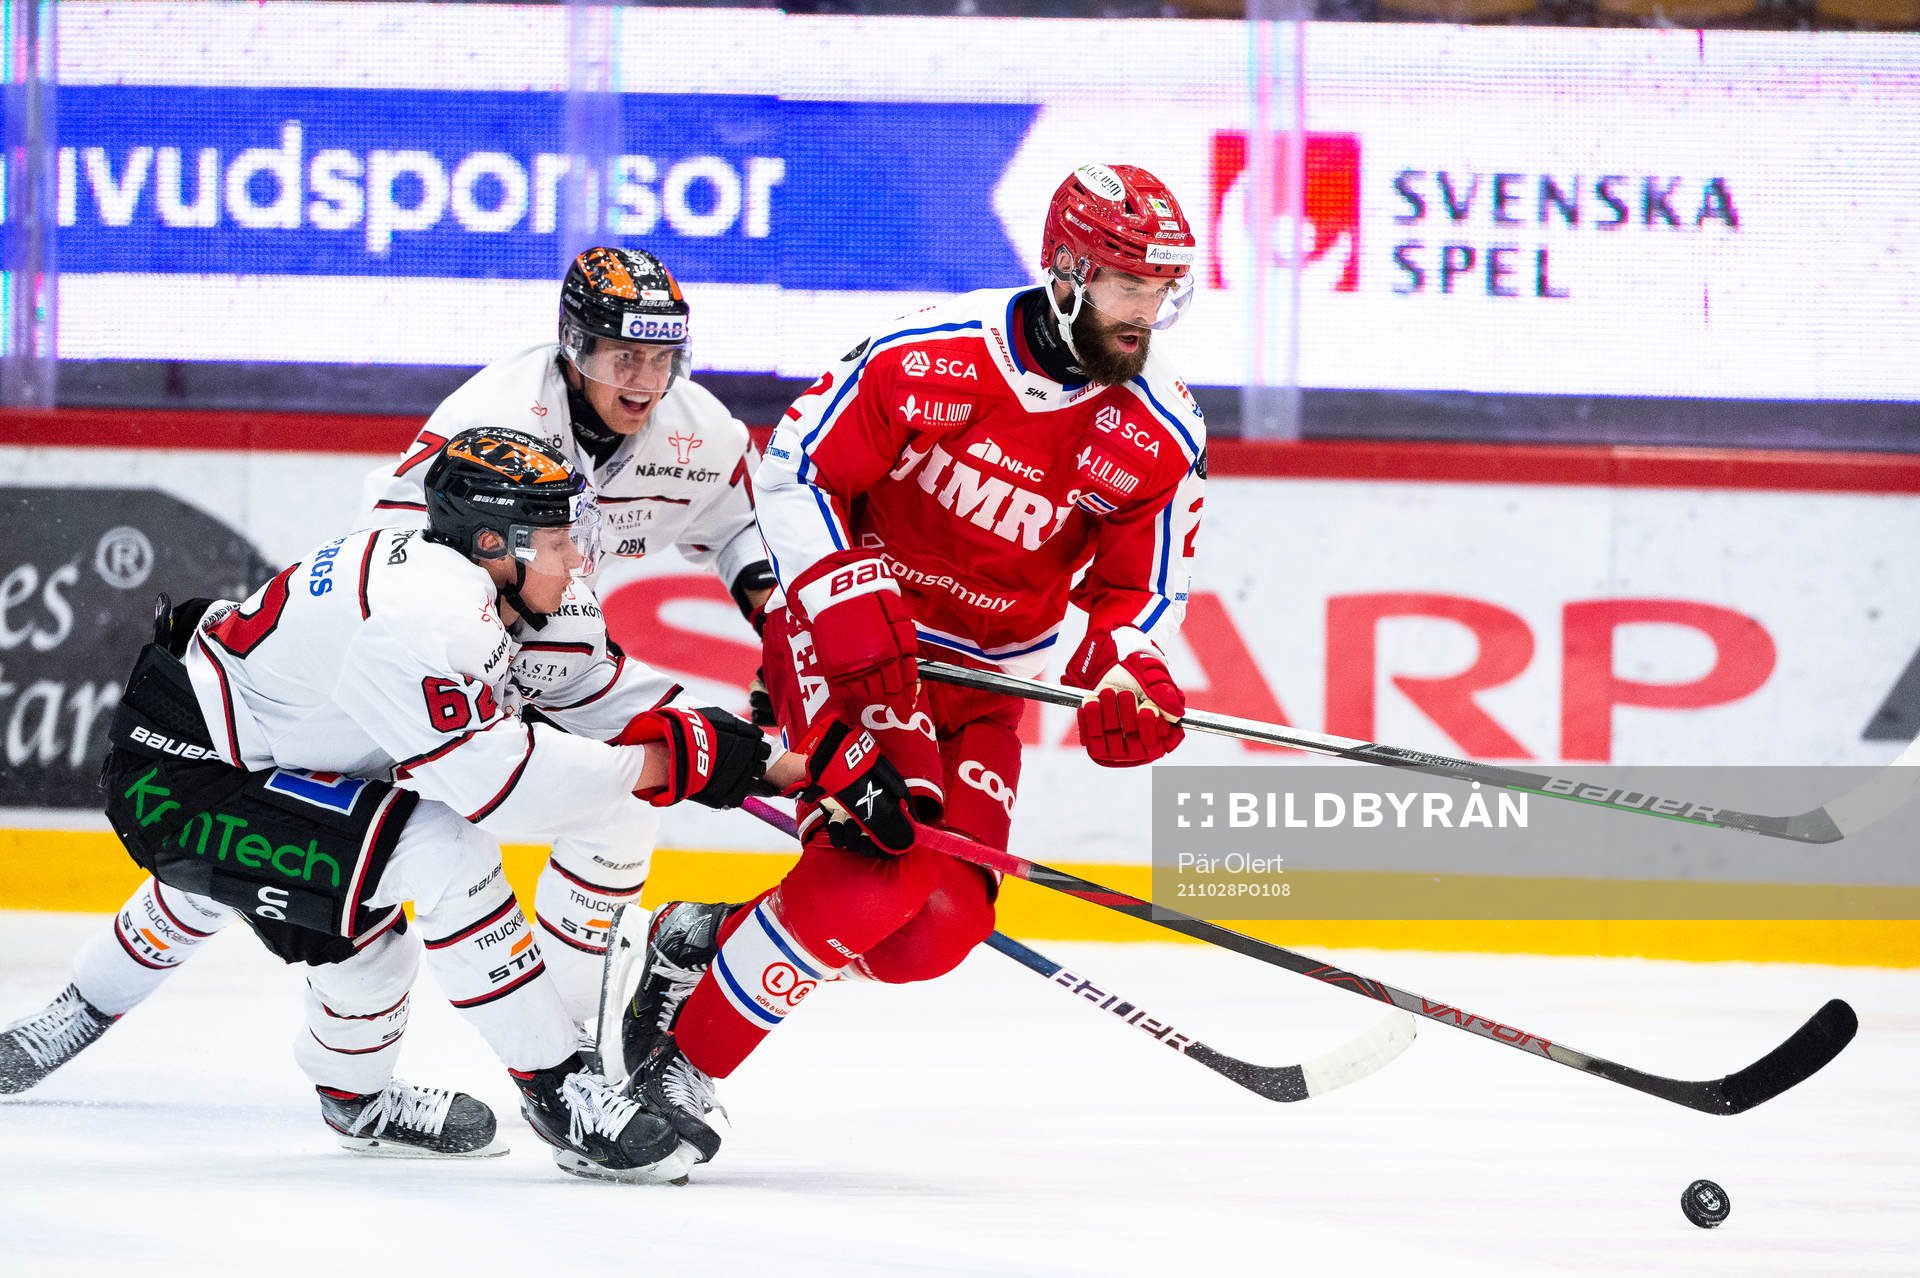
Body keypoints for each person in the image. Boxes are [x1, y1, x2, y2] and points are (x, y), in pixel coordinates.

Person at [3, 428, 909, 1182]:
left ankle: (87, 1019)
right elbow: (500, 788)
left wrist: (795, 768)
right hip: (181, 772)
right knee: (427, 862)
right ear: (492, 547)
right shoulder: (424, 615)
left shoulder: (518, 594)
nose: (577, 556)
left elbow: (611, 699)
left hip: (268, 760)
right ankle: (554, 1094)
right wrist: (673, 763)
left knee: (270, 887)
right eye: (558, 539)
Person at [0, 248, 772, 1106]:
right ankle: (95, 1007)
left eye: (663, 360)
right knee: (322, 857)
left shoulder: (693, 437)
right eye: (621, 356)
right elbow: (419, 574)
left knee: (601, 813)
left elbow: (741, 528)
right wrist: (546, 692)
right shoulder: (490, 426)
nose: (643, 382)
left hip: (489, 642)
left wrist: (774, 698)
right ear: (571, 347)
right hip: (396, 674)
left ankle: (566, 1050)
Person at [605, 163, 1208, 1170]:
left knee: (933, 932)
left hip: (985, 686)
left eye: (1159, 293)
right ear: (1064, 271)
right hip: (857, 649)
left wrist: (1130, 671)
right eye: (1125, 287)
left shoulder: (1159, 430)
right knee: (875, 870)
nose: (1145, 314)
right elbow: (799, 470)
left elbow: (1134, 594)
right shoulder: (930, 354)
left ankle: (703, 941)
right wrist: (841, 601)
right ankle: (677, 1064)